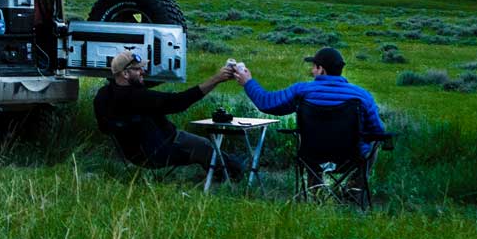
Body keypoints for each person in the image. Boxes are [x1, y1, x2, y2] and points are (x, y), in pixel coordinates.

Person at [92, 49, 240, 172]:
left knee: (203, 146)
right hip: (162, 149)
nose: (143, 71)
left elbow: (104, 127)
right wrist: (216, 79)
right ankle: (239, 170)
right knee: (206, 147)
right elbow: (179, 102)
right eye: (138, 69)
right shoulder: (139, 97)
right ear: (125, 74)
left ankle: (228, 167)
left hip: (134, 155)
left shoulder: (104, 95)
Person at [232, 47, 387, 155]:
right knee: (372, 145)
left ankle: (313, 194)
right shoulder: (362, 95)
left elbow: (266, 103)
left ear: (321, 69)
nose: (312, 71)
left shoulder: (302, 91)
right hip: (352, 155)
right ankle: (354, 189)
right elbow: (377, 131)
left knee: (312, 150)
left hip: (312, 153)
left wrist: (248, 82)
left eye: (314, 67)